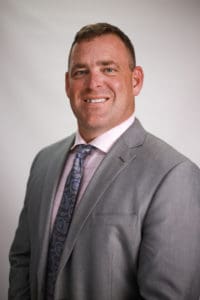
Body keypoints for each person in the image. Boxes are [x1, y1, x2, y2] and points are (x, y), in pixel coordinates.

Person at [9, 23, 200, 300]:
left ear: (135, 80)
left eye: (108, 69)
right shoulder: (44, 163)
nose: (93, 83)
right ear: (67, 83)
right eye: (80, 72)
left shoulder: (174, 175)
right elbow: (23, 261)